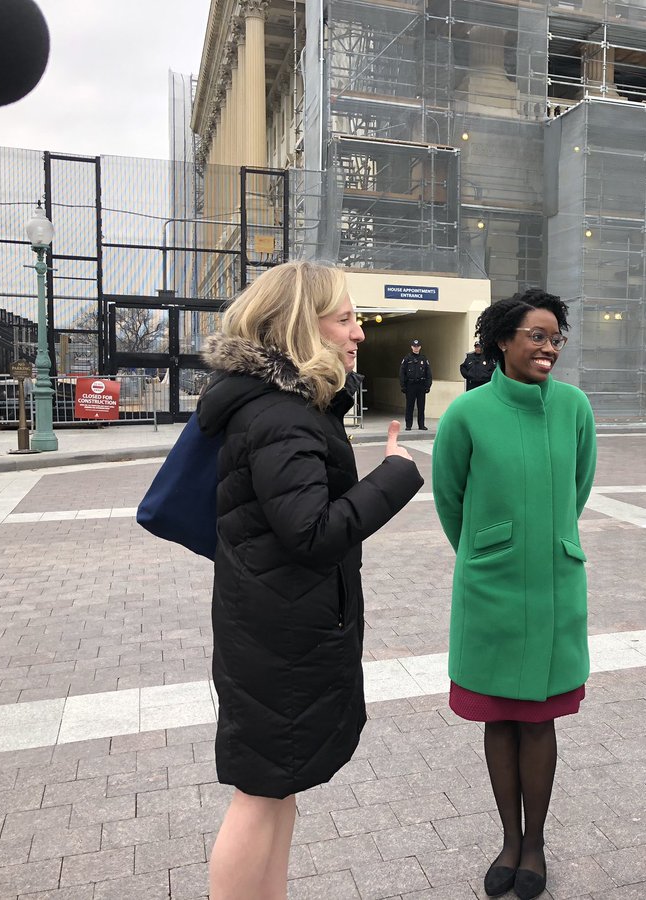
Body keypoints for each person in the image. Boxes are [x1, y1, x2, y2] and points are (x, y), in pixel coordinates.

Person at [196, 260, 423, 900]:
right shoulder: (282, 415)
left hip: (276, 623)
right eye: (345, 319)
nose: (359, 333)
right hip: (281, 636)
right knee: (260, 795)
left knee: (277, 787)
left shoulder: (281, 406)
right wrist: (394, 476)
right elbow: (312, 532)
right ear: (303, 325)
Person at [432, 288, 596, 900]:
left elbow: (579, 485)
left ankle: (536, 845)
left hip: (555, 584)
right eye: (537, 335)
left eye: (556, 337)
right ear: (503, 340)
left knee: (539, 719)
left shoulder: (574, 408)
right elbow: (449, 499)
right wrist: (487, 550)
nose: (549, 347)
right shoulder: (467, 413)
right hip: (490, 589)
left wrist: (548, 539)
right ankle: (508, 839)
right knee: (499, 720)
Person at [399, 338, 432, 430]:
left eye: (417, 346)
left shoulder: (424, 359)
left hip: (421, 385)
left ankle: (421, 425)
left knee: (421, 406)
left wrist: (428, 385)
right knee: (409, 406)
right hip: (410, 385)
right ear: (411, 347)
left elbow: (428, 373)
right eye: (414, 346)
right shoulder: (407, 358)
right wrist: (403, 385)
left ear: (420, 347)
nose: (416, 348)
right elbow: (402, 373)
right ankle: (408, 425)